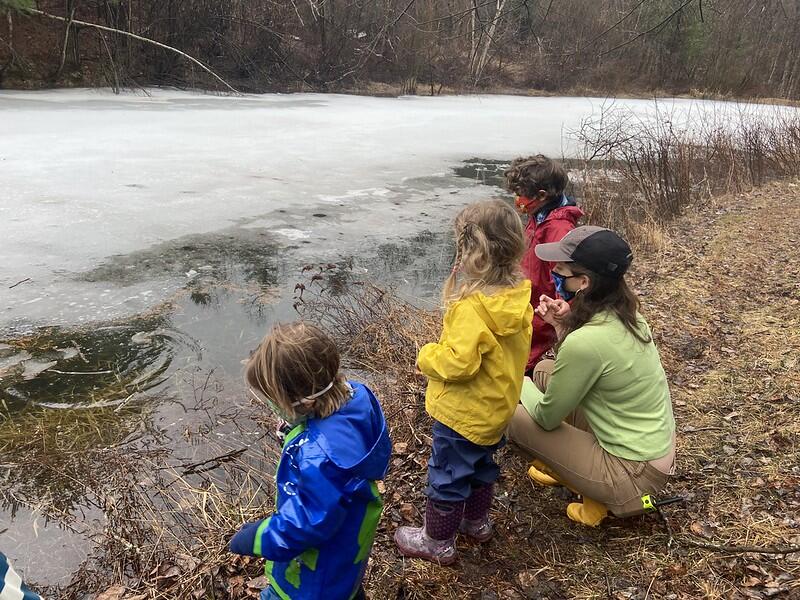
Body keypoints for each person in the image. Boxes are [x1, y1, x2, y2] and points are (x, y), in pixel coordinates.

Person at [507, 226, 676, 527]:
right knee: (546, 371)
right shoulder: (630, 316)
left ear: (583, 282)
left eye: (563, 269)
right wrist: (562, 326)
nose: (555, 271)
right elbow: (586, 364)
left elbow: (546, 417)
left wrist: (519, 381)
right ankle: (572, 468)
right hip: (652, 455)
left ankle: (594, 494)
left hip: (633, 479)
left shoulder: (587, 343)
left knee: (512, 415)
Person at [394, 200, 533, 564]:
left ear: (473, 252)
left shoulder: (472, 308)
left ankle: (436, 541)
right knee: (482, 467)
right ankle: (477, 522)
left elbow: (459, 363)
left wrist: (426, 355)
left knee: (448, 476)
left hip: (463, 415)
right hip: (497, 408)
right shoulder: (518, 297)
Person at [230, 322, 392, 600]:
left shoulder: (318, 457)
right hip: (348, 547)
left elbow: (305, 524)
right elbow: (339, 454)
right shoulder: (357, 397)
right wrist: (297, 433)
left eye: (275, 400)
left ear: (304, 403)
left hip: (312, 577)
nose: (273, 405)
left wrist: (258, 537)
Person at [504, 155, 583, 372]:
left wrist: (559, 312)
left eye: (521, 195)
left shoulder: (558, 229)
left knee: (524, 362)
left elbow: (564, 279)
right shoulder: (540, 215)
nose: (518, 200)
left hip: (541, 311)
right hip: (528, 302)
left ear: (541, 195)